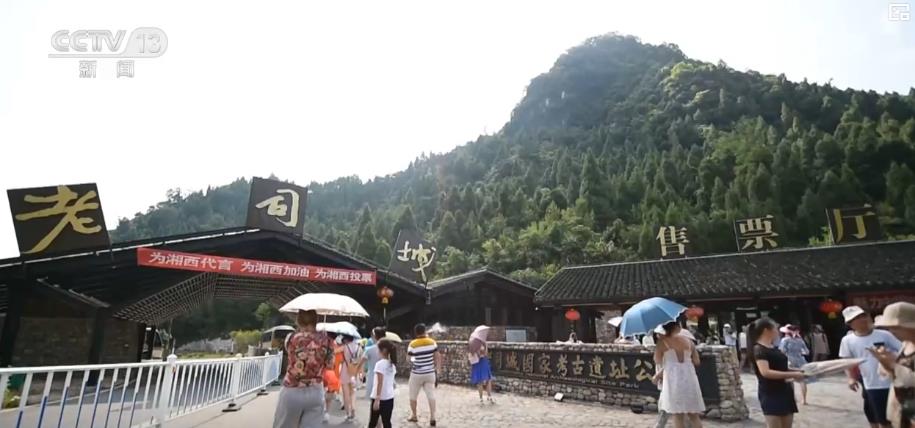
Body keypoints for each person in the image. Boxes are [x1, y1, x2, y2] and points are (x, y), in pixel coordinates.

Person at [840, 305, 903, 428]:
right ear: (850, 324)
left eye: (864, 315)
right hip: (870, 383)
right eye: (858, 318)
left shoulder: (884, 335)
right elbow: (847, 361)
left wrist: (888, 357)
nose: (863, 319)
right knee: (873, 414)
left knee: (889, 419)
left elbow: (902, 350)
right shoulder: (847, 340)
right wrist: (851, 378)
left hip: (891, 382)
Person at [273, 310, 334, 428]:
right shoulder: (327, 340)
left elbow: (289, 354)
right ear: (316, 320)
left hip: (292, 389)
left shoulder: (291, 338)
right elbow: (330, 365)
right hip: (316, 391)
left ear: (298, 320)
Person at [750, 317, 804, 428]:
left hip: (785, 391)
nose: (777, 331)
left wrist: (798, 371)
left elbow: (782, 368)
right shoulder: (759, 349)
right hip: (770, 393)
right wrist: (793, 374)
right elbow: (766, 372)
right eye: (775, 328)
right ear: (766, 330)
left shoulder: (774, 348)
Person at [868, 302, 915, 428]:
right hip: (904, 405)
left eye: (895, 327)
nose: (892, 332)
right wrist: (885, 362)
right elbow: (896, 376)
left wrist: (893, 365)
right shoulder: (905, 344)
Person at [654, 321, 705, 428]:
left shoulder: (662, 342)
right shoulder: (689, 342)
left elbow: (657, 360)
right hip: (689, 376)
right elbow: (697, 361)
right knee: (693, 414)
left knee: (677, 414)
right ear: (677, 327)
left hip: (672, 378)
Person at [407, 323, 441, 426]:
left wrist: (415, 360)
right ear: (425, 331)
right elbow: (437, 356)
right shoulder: (432, 342)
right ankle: (433, 417)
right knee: (431, 394)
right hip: (430, 373)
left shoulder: (412, 344)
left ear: (415, 332)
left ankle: (414, 415)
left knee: (413, 395)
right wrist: (438, 369)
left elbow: (409, 359)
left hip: (417, 373)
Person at [778, 324, 811, 405]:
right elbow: (807, 352)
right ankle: (804, 399)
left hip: (789, 360)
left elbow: (782, 351)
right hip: (800, 360)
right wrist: (799, 352)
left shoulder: (785, 340)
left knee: (790, 380)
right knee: (802, 380)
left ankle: (793, 398)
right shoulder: (800, 340)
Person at [368, 339, 397, 428]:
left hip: (379, 397)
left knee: (372, 422)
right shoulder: (392, 364)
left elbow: (380, 382)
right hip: (389, 397)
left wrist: (377, 399)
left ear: (383, 350)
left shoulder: (380, 364)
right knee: (387, 422)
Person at [468, 325, 495, 404]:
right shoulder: (478, 343)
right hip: (480, 362)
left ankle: (484, 397)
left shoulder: (475, 342)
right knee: (484, 380)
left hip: (481, 362)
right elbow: (482, 354)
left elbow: (484, 353)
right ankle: (485, 397)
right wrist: (481, 352)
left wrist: (482, 352)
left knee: (486, 379)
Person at [340, 334, 364, 420]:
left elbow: (335, 352)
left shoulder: (344, 347)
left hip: (345, 370)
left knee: (346, 393)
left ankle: (348, 413)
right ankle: (353, 408)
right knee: (353, 392)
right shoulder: (359, 347)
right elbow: (361, 361)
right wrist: (361, 373)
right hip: (354, 370)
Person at [363, 327, 387, 400]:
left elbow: (362, 362)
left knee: (373, 400)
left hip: (372, 377)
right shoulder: (389, 349)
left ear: (374, 336)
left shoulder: (369, 350)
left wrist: (362, 372)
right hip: (386, 377)